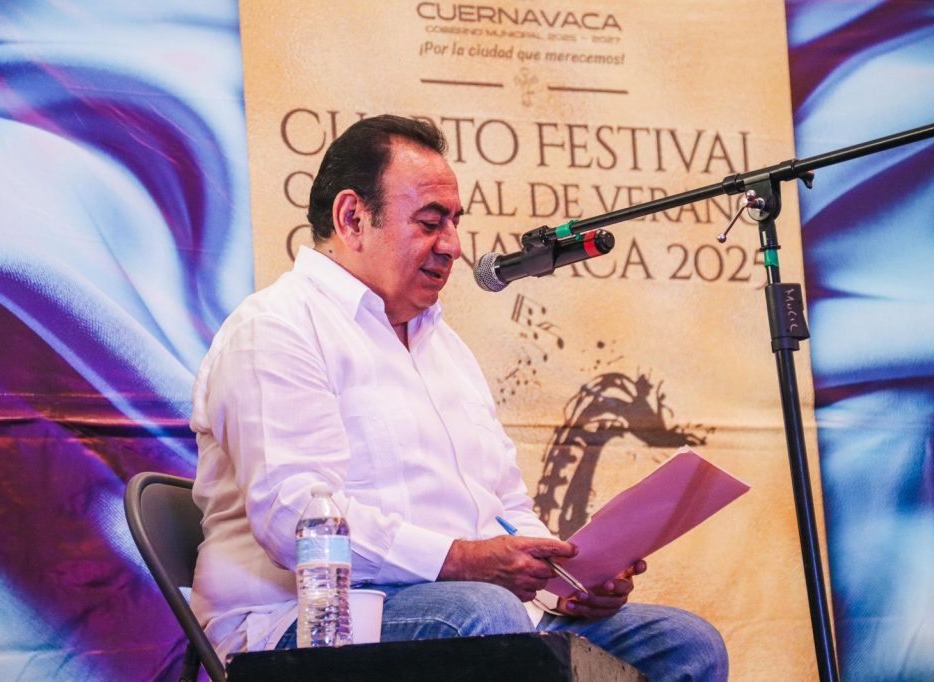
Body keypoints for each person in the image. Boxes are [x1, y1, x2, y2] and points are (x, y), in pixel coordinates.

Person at [189, 115, 728, 680]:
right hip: (303, 622)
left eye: (454, 222)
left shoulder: (446, 348)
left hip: (474, 610)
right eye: (430, 222)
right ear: (352, 218)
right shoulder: (276, 328)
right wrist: (461, 560)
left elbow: (507, 509)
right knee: (483, 615)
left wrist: (567, 579)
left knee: (685, 645)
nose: (452, 246)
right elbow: (295, 519)